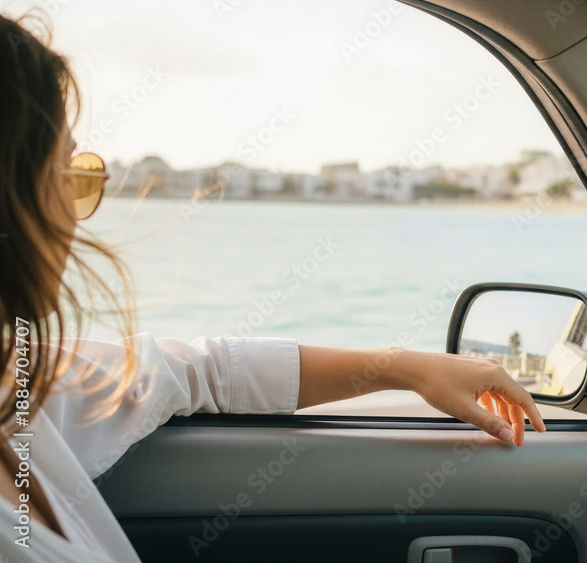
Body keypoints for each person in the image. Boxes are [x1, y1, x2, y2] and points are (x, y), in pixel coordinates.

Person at [0, 12, 545, 561]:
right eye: (70, 177)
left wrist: (404, 367)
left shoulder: (17, 386)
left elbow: (200, 371)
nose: (78, 217)